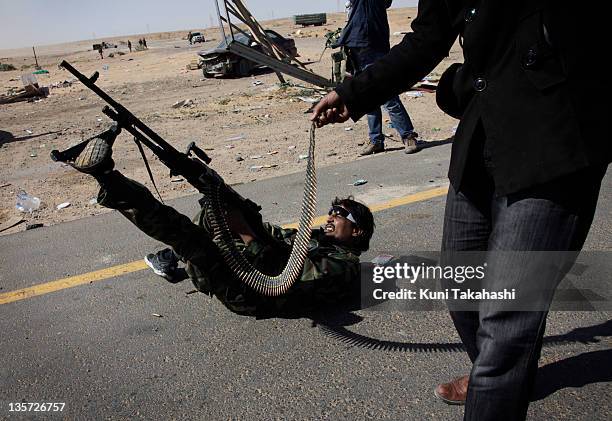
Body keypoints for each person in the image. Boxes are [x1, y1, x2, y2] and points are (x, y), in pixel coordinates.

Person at [311, 1, 610, 420]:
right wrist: (354, 92)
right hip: (483, 140)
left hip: (554, 140)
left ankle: (497, 375)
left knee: (506, 315)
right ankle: (502, 373)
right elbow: (426, 41)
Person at [69, 134, 374, 317]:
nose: (331, 216)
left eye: (341, 214)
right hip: (249, 271)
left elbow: (281, 273)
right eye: (332, 210)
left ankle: (107, 176)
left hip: (250, 294)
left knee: (186, 235)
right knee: (212, 211)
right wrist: (231, 203)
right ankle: (178, 258)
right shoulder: (314, 239)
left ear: (357, 231)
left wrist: (242, 229)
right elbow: (274, 236)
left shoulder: (344, 266)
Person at [336, 0, 419, 155]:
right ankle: (376, 140)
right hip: (355, 43)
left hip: (372, 42)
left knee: (386, 93)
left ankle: (407, 135)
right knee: (367, 95)